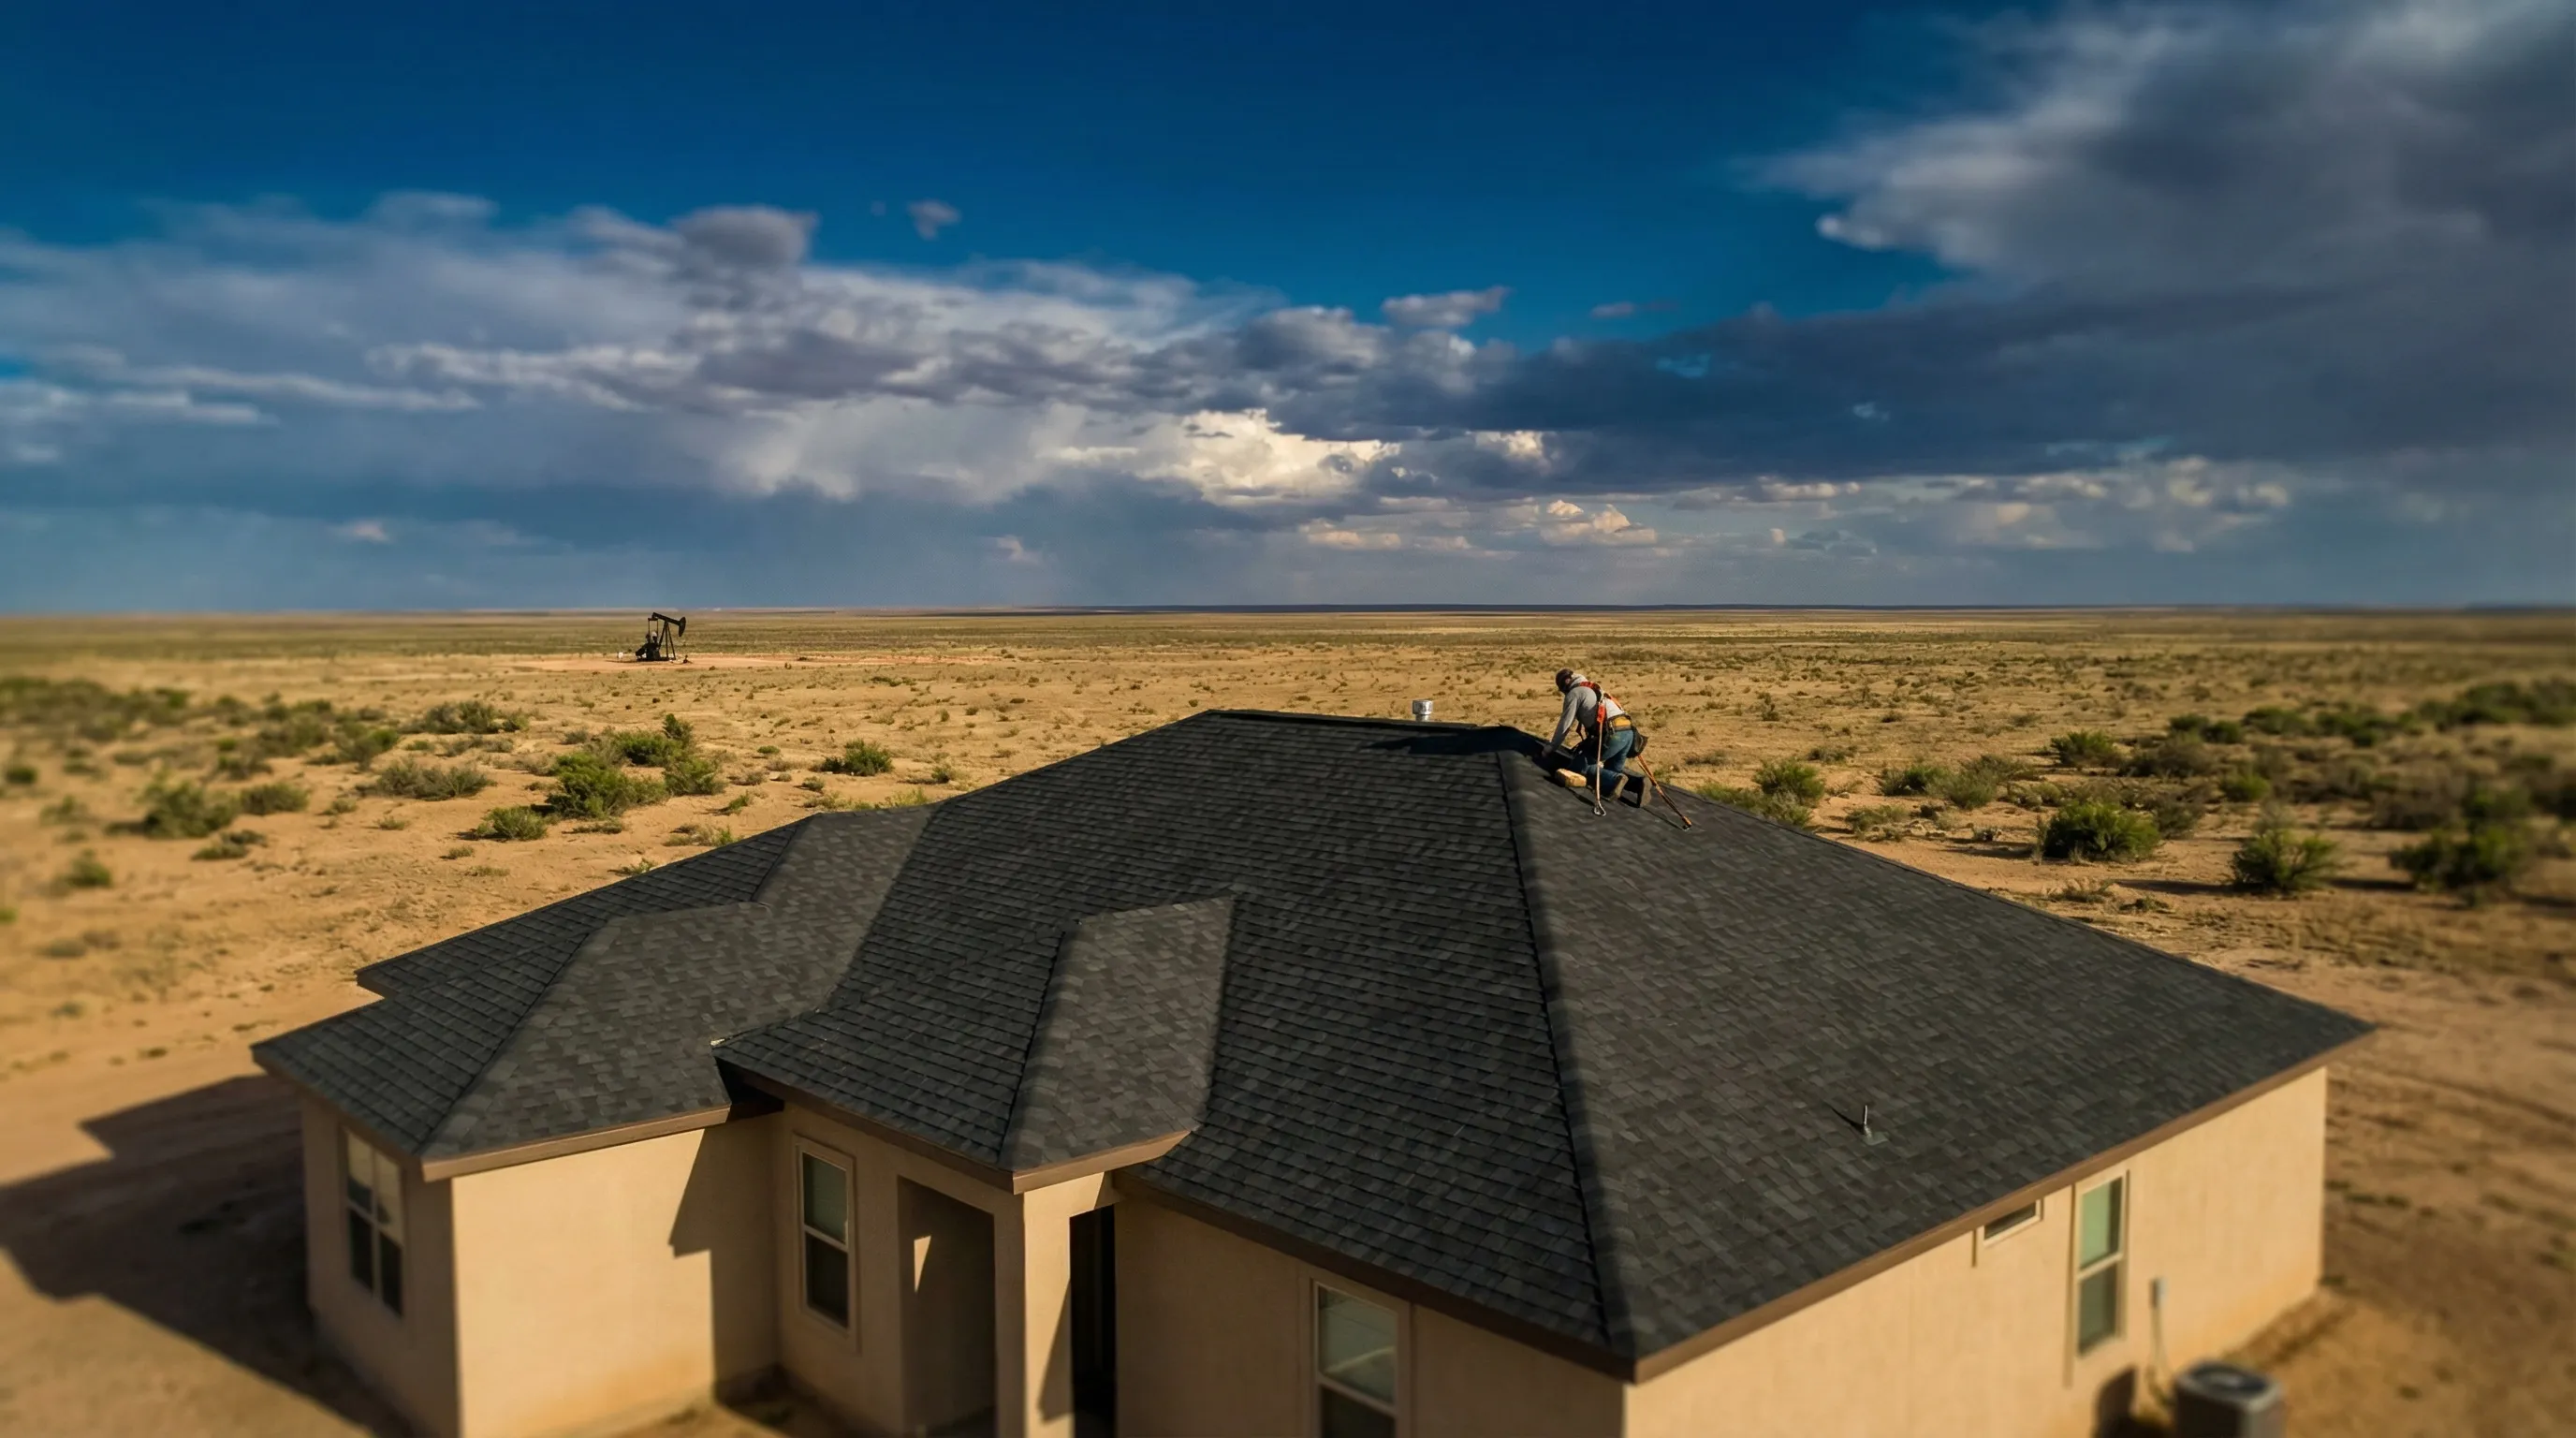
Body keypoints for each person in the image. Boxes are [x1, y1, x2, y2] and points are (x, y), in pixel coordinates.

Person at [1547, 668, 1638, 800]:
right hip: (1628, 733)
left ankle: (1615, 780)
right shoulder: (1596, 689)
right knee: (1608, 776)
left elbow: (1564, 725)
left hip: (1613, 735)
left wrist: (1550, 748)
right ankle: (1638, 784)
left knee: (1578, 766)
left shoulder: (1574, 693)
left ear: (1564, 685)